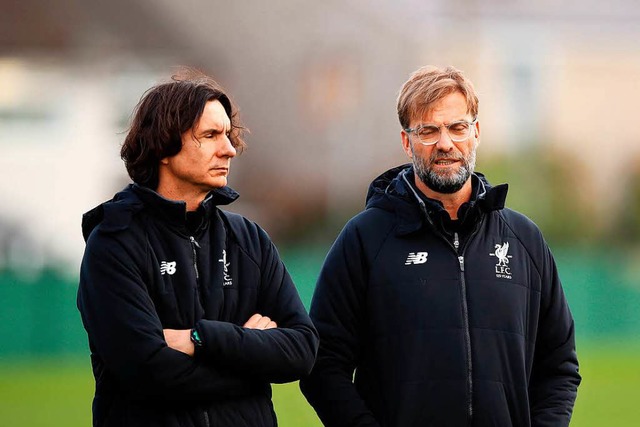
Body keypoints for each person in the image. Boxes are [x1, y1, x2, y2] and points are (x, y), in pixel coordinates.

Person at [300, 65, 581, 426]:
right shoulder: (365, 239)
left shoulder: (524, 240)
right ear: (406, 142)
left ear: (476, 132)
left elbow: (559, 364)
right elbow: (322, 365)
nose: (445, 143)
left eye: (457, 127)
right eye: (428, 131)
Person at [77, 69, 318, 427]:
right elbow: (148, 372)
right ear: (163, 146)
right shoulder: (115, 243)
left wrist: (201, 338)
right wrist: (250, 355)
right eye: (210, 135)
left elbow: (301, 350)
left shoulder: (248, 239)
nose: (230, 149)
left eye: (228, 134)